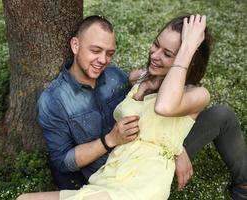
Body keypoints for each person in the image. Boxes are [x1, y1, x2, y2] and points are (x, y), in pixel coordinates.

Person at [34, 15, 247, 199]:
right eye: (96, 50)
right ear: (75, 45)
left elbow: (156, 109)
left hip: (151, 162)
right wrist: (110, 140)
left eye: (109, 53)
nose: (102, 60)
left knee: (222, 115)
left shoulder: (116, 77)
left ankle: (244, 185)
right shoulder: (55, 100)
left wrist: (176, 147)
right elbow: (63, 162)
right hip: (111, 171)